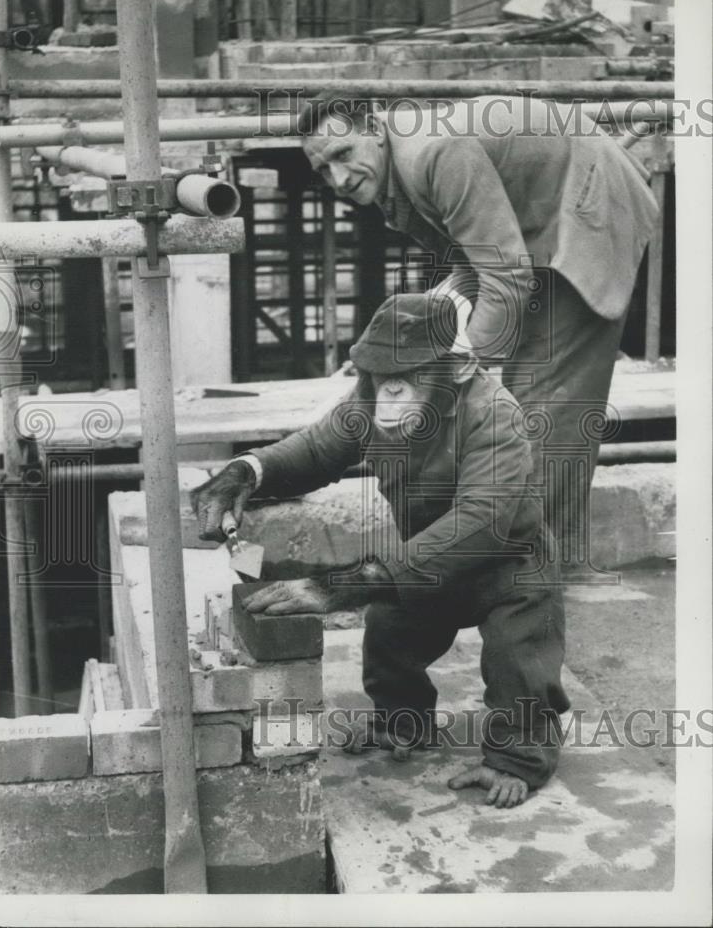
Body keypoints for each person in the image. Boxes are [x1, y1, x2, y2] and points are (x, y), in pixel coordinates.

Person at [192, 292, 569, 808]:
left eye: (407, 378)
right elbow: (315, 449)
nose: (388, 393)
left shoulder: (492, 413)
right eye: (377, 377)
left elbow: (482, 521)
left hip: (509, 566)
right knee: (389, 635)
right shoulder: (371, 403)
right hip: (426, 559)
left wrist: (341, 584)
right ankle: (403, 723)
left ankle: (520, 759)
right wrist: (244, 472)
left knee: (517, 664)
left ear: (454, 372)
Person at [298, 93, 660, 570]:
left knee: (546, 408)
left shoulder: (434, 152)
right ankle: (528, 560)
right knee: (513, 397)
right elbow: (473, 260)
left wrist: (449, 369)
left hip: (589, 208)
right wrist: (427, 344)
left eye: (344, 154)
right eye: (323, 170)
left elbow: (506, 277)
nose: (339, 179)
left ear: (372, 128)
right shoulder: (395, 164)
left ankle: (534, 575)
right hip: (537, 226)